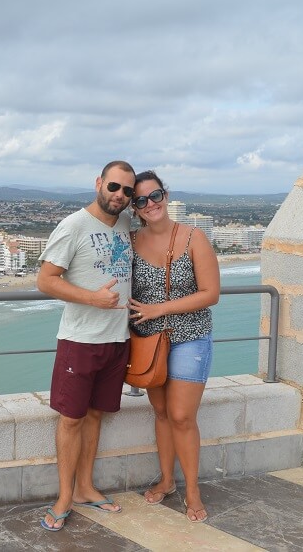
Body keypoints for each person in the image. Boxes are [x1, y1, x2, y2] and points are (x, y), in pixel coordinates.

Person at [36, 160, 136, 532]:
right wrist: (92, 299)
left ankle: (85, 488)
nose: (120, 196)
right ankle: (64, 496)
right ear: (99, 183)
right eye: (114, 187)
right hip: (80, 341)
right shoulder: (73, 226)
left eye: (127, 191)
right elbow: (45, 281)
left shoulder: (126, 223)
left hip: (117, 340)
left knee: (96, 415)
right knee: (72, 418)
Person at [126, 170, 220, 523]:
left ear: (166, 196)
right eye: (141, 200)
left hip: (190, 336)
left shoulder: (194, 237)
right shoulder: (132, 241)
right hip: (149, 343)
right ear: (134, 207)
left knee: (182, 416)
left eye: (155, 195)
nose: (150, 204)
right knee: (162, 413)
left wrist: (159, 309)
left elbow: (210, 294)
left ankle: (192, 492)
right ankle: (166, 480)